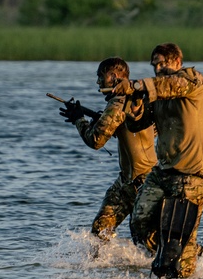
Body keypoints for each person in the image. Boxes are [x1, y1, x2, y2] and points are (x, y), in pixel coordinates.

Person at [113, 42, 203, 279]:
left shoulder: (192, 80)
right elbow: (138, 124)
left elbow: (170, 85)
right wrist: (134, 103)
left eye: (162, 63)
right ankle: (171, 257)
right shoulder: (157, 92)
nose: (158, 68)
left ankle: (184, 276)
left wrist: (137, 85)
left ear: (177, 62)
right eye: (154, 65)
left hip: (192, 174)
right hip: (164, 172)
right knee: (139, 224)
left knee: (178, 236)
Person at [60, 57, 157, 246]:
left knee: (149, 241)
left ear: (113, 77)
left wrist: (79, 120)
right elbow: (128, 131)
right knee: (100, 229)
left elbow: (96, 140)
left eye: (100, 78)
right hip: (126, 183)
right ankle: (102, 269)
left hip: (145, 184)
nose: (98, 83)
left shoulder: (119, 102)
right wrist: (95, 118)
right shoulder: (129, 100)